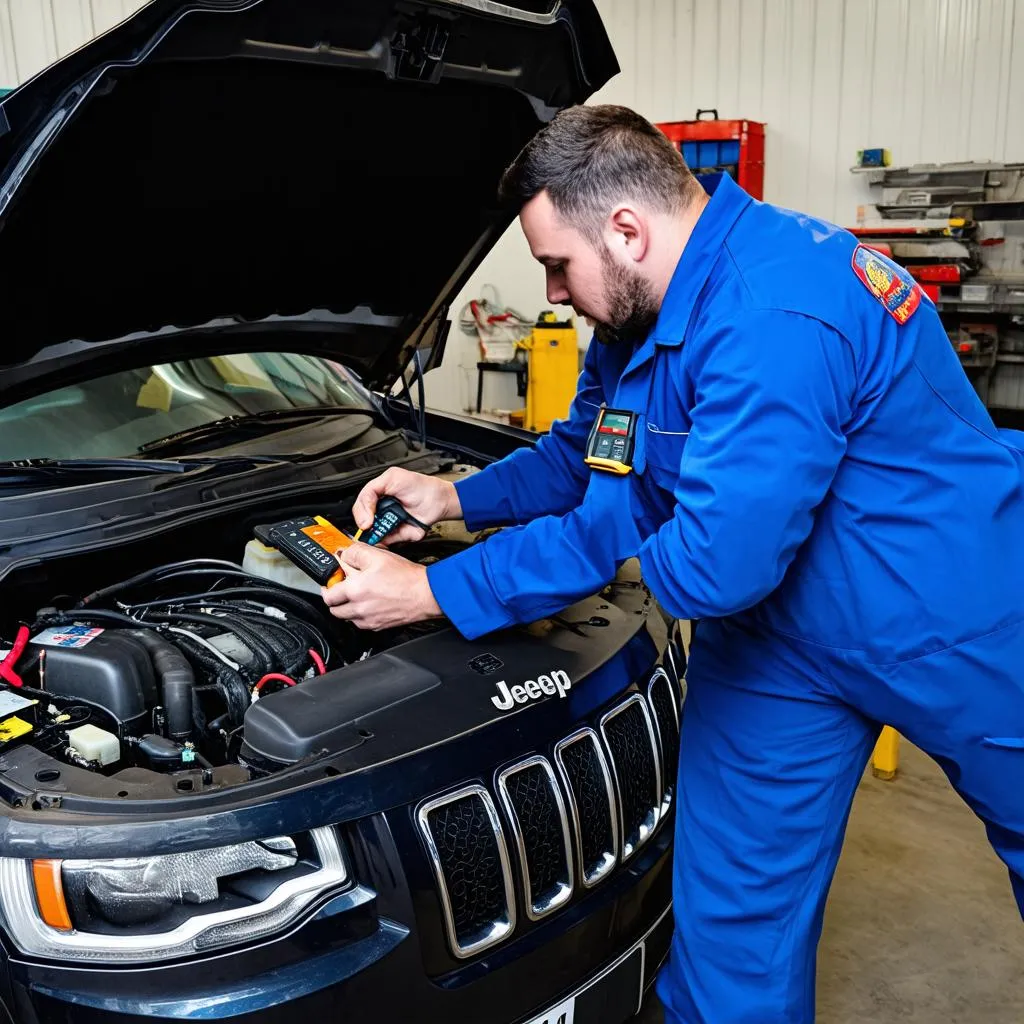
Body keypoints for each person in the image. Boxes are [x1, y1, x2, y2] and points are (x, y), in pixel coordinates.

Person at [321, 104, 1024, 1023]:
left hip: (953, 616)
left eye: (555, 266)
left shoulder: (776, 307)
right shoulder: (638, 314)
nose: (557, 294)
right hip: (782, 642)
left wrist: (437, 589)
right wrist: (449, 499)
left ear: (624, 228)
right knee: (734, 917)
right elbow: (584, 456)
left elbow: (700, 564)